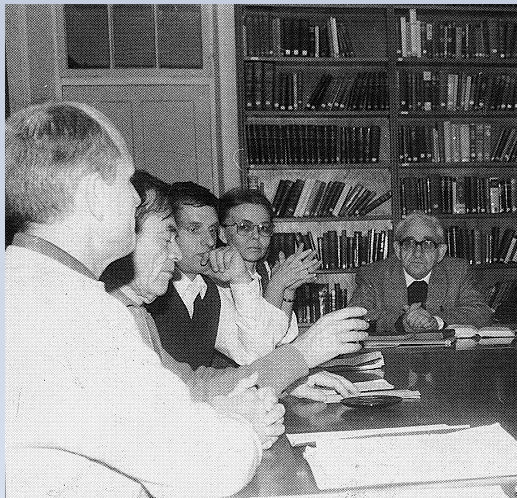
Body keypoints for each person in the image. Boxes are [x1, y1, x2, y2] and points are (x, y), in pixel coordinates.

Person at [5, 101, 277, 497]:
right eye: (127, 182)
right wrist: (246, 424)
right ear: (96, 194)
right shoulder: (78, 311)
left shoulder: (29, 283)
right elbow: (202, 468)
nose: (135, 199)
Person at [105, 170, 369, 402]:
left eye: (210, 231)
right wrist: (301, 354)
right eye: (171, 235)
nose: (208, 243)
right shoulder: (119, 310)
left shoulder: (194, 292)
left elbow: (199, 381)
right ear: (123, 237)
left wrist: (293, 383)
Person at [148, 181, 294, 368]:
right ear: (169, 232)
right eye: (194, 229)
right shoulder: (152, 291)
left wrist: (240, 280)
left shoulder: (207, 292)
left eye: (212, 230)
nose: (209, 241)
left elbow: (256, 353)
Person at [349, 211, 492, 334]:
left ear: (440, 252)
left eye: (428, 244)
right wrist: (401, 322)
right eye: (409, 243)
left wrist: (436, 321)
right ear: (398, 250)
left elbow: (480, 312)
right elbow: (355, 317)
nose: (417, 254)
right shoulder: (373, 275)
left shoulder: (458, 271)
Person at [217, 187, 320, 318]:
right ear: (222, 234)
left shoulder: (264, 270)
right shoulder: (219, 279)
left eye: (264, 228)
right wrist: (278, 284)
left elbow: (282, 333)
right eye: (244, 227)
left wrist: (288, 290)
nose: (256, 235)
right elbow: (259, 336)